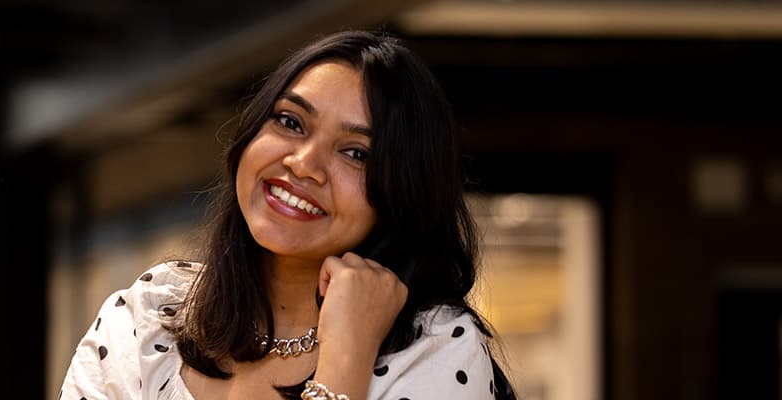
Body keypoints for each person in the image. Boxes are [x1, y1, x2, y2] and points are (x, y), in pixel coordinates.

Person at [58, 30, 515, 400]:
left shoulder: (432, 348)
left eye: (356, 153)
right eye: (291, 122)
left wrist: (346, 363)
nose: (303, 164)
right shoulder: (147, 316)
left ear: (403, 192)